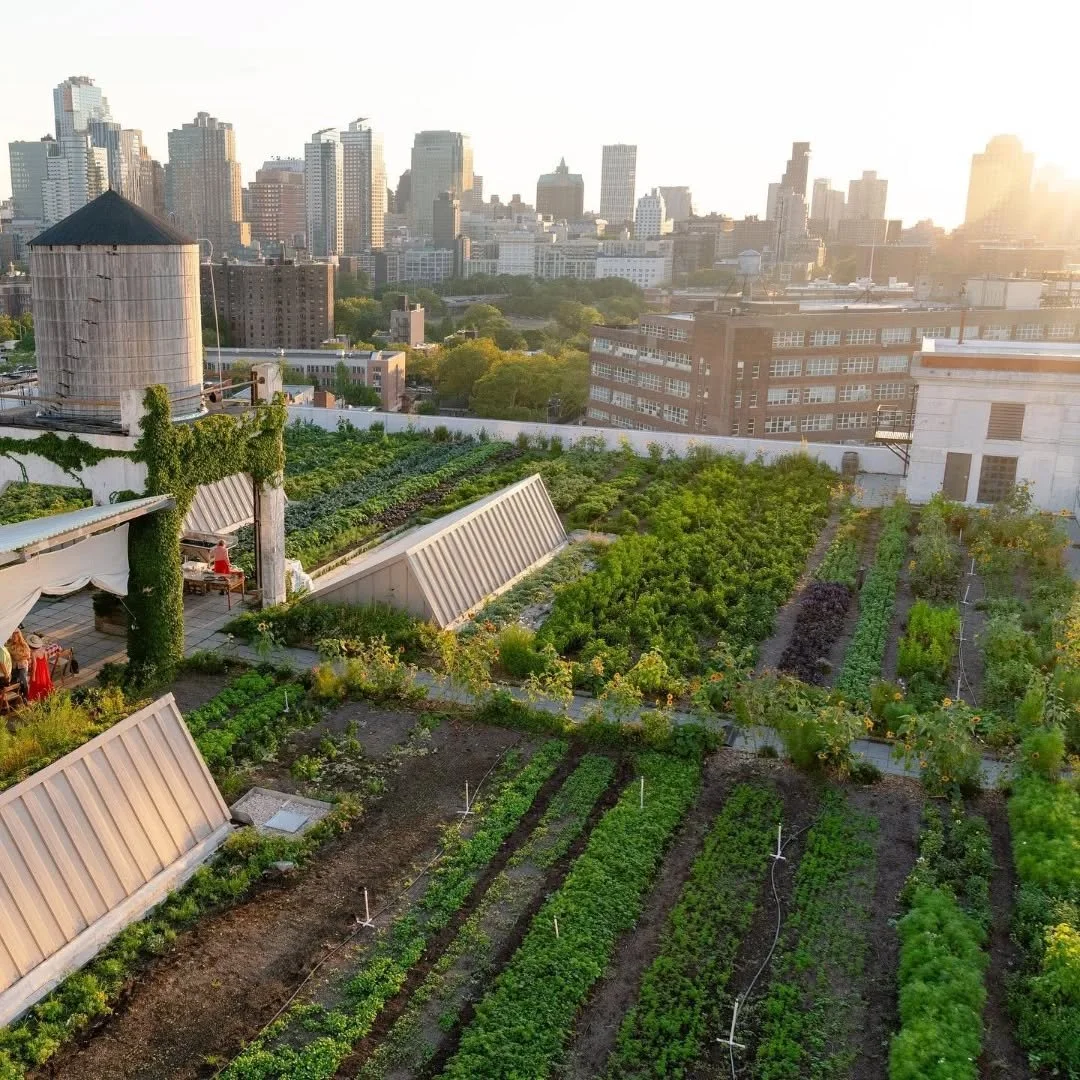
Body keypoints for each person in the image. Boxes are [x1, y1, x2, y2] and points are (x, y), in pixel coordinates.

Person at [26, 634, 53, 702]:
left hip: (37, 671)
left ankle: (37, 699)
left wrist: (33, 676)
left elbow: (34, 665)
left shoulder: (34, 653)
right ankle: (45, 697)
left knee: (36, 685)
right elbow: (46, 661)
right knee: (44, 683)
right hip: (44, 670)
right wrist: (47, 673)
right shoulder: (44, 650)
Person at [7, 629, 30, 698]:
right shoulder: (10, 645)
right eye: (12, 637)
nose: (13, 638)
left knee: (23, 680)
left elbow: (28, 655)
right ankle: (17, 697)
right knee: (14, 681)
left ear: (19, 637)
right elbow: (9, 654)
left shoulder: (24, 645)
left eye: (15, 637)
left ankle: (26, 696)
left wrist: (18, 657)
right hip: (14, 666)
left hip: (22, 666)